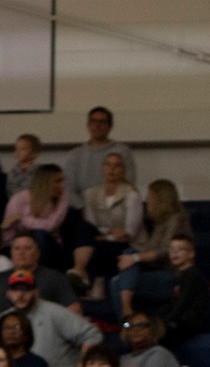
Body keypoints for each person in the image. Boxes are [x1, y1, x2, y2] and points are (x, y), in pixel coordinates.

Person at [0, 271, 101, 367]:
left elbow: (92, 335)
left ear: (36, 292)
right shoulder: (1, 320)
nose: (20, 295)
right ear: (8, 294)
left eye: (26, 289)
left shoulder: (55, 312)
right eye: (15, 290)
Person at [109, 179, 192, 321]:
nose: (146, 199)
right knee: (126, 257)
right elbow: (147, 248)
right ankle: (128, 317)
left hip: (172, 276)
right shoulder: (159, 223)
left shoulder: (177, 220)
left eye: (149, 196)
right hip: (156, 270)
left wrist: (136, 258)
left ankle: (127, 321)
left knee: (118, 281)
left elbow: (166, 250)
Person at [72, 151, 139, 292]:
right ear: (102, 169)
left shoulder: (131, 194)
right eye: (107, 165)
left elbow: (129, 233)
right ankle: (79, 270)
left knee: (96, 246)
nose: (111, 169)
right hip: (99, 238)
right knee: (83, 227)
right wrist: (109, 231)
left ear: (123, 170)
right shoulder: (91, 194)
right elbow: (91, 225)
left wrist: (102, 235)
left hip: (125, 244)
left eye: (116, 166)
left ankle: (90, 282)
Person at [1, 166, 75, 269]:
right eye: (57, 181)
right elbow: (8, 229)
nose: (61, 185)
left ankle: (40, 275)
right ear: (45, 182)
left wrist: (23, 219)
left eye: (62, 181)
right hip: (19, 245)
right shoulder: (19, 199)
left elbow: (50, 225)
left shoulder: (63, 197)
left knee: (39, 234)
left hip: (51, 245)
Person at [62, 107, 136, 196]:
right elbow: (69, 189)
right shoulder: (75, 155)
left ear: (110, 126)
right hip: (82, 203)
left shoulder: (122, 151)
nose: (97, 126)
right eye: (93, 122)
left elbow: (128, 184)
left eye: (102, 122)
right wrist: (84, 204)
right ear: (88, 125)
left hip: (115, 202)